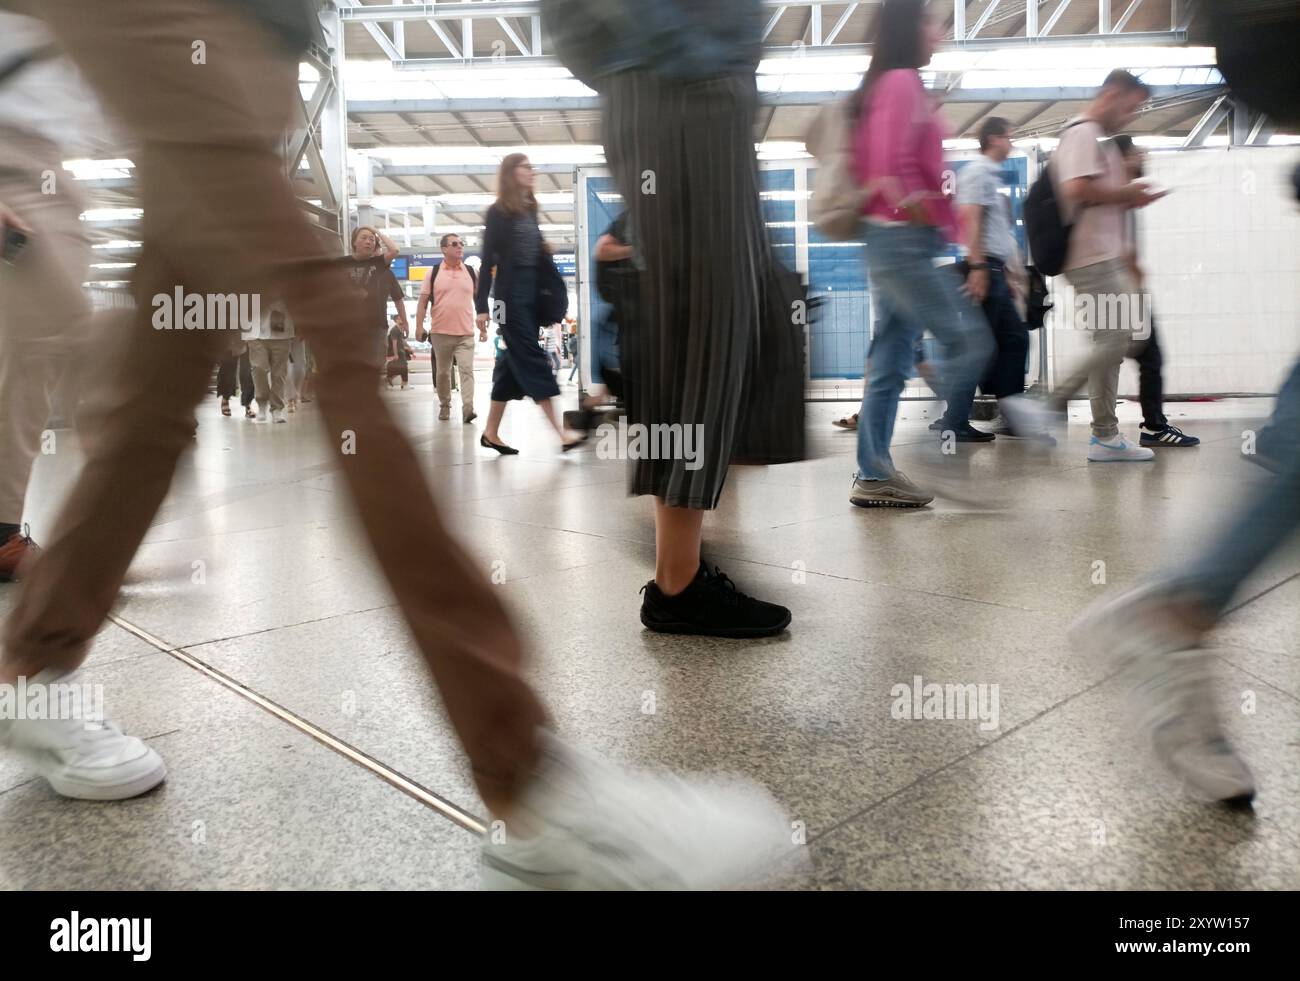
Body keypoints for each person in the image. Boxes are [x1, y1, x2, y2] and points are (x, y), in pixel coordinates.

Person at [0, 0, 793, 891]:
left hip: (264, 42)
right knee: (338, 327)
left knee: (158, 377)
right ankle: (529, 782)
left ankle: (30, 663)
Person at [545, 0, 798, 638]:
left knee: (711, 319)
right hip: (686, 85)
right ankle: (677, 584)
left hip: (674, 82)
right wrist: (672, 50)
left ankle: (678, 568)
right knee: (710, 325)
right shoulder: (681, 65)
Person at [847, 0, 996, 508]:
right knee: (969, 340)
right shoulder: (901, 82)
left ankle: (874, 474)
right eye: (933, 24)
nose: (940, 34)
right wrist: (913, 207)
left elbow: (895, 163)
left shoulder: (896, 83)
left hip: (898, 240)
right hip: (901, 241)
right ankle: (939, 459)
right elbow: (888, 166)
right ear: (910, 29)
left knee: (890, 362)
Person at [1001, 70, 1168, 462]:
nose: (1131, 116)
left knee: (1114, 344)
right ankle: (1049, 405)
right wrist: (1126, 192)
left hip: (1103, 257)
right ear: (1111, 94)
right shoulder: (1082, 132)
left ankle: (1105, 435)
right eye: (1131, 106)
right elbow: (1076, 190)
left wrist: (1128, 200)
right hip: (1090, 259)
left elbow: (1098, 202)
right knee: (1118, 340)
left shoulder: (1096, 139)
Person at [0, 9, 105, 581]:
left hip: (49, 169)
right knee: (63, 332)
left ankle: (4, 532)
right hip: (11, 163)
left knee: (33, 354)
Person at [955, 117, 1055, 445]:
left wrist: (1007, 273)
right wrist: (979, 267)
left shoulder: (988, 176)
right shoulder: (980, 172)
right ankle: (954, 420)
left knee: (1012, 341)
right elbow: (970, 218)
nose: (1011, 143)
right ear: (994, 139)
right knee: (981, 348)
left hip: (995, 270)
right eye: (1008, 137)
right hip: (984, 269)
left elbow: (991, 230)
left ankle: (1010, 417)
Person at [474, 153, 582, 454]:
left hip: (531, 295)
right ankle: (562, 433)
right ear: (511, 172)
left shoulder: (529, 209)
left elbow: (530, 251)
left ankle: (491, 433)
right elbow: (487, 261)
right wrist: (481, 305)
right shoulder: (497, 212)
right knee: (532, 357)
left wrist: (542, 248)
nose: (533, 171)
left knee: (511, 364)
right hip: (508, 299)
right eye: (526, 167)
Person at [1112, 134, 1200, 448]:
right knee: (1139, 357)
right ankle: (1150, 427)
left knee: (1120, 357)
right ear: (1120, 158)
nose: (1142, 156)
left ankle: (1136, 426)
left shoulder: (1121, 196)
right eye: (1136, 152)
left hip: (1123, 287)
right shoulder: (1114, 197)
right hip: (1120, 288)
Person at [415, 233, 483, 423]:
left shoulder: (471, 272)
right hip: (440, 332)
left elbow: (480, 301)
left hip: (466, 333)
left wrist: (483, 325)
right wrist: (419, 326)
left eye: (462, 243)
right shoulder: (433, 272)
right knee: (443, 373)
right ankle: (445, 405)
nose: (460, 246)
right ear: (444, 248)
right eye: (455, 244)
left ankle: (468, 409)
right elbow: (422, 303)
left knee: (467, 370)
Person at [341, 224, 408, 369]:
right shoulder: (341, 263)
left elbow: (395, 250)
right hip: (350, 325)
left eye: (372, 239)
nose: (368, 242)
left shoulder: (377, 264)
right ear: (354, 242)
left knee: (375, 368)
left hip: (376, 325)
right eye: (364, 238)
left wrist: (376, 231)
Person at [246, 299, 294, 421]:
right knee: (258, 367)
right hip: (254, 331)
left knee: (279, 373)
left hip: (282, 332)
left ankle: (277, 409)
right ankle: (262, 404)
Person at [216, 344, 256, 419]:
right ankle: (225, 398)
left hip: (248, 337)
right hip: (232, 336)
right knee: (228, 368)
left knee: (247, 371)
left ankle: (247, 403)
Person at [384, 313, 412, 389]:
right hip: (398, 352)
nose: (402, 320)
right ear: (396, 320)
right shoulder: (394, 330)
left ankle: (400, 382)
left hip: (401, 351)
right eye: (400, 318)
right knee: (403, 367)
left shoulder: (401, 329)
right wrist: (395, 354)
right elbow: (394, 342)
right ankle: (402, 383)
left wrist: (408, 347)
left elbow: (402, 340)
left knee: (403, 367)